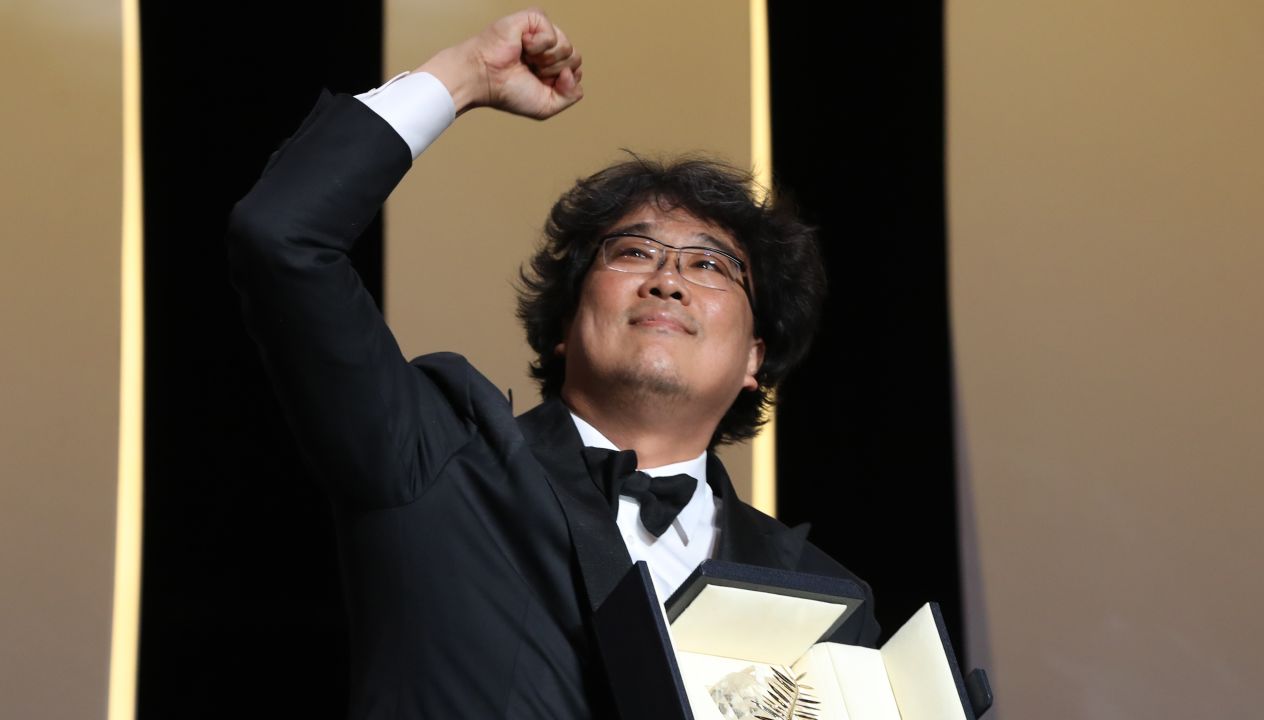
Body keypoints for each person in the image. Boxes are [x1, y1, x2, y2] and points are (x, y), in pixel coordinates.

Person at [227, 8, 878, 719]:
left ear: (756, 358)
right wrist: (465, 75)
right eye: (633, 252)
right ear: (565, 325)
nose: (668, 279)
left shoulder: (827, 601)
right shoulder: (438, 461)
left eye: (711, 266)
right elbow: (283, 235)